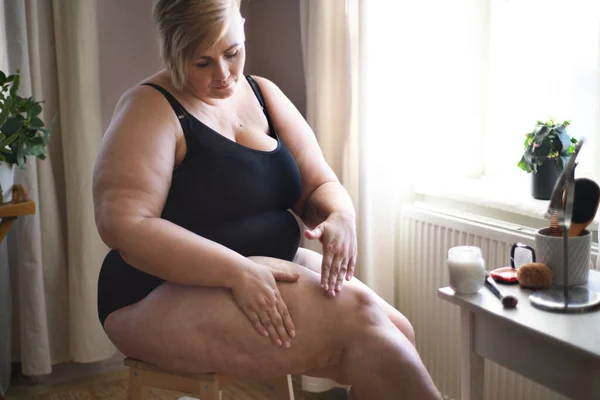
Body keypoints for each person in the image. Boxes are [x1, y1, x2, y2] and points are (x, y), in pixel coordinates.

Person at [93, 0, 441, 398]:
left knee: (398, 332)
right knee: (365, 327)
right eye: (200, 62)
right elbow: (124, 226)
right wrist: (237, 271)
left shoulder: (262, 93)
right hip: (155, 291)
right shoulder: (149, 107)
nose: (223, 75)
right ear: (170, 51)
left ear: (242, 27)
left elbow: (318, 186)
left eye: (232, 53)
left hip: (266, 264)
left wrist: (341, 213)